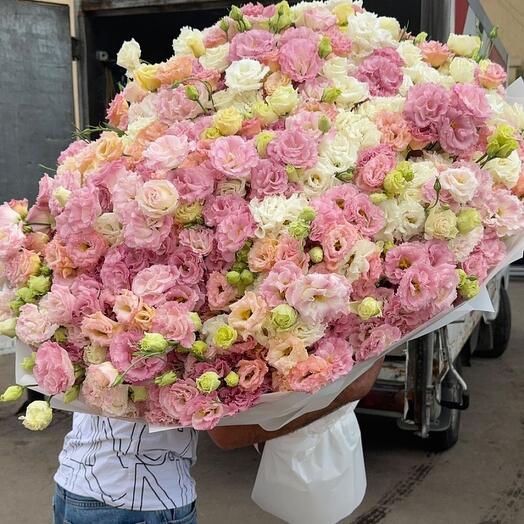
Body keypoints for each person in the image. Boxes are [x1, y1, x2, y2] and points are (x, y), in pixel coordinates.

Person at [52, 359, 383, 524]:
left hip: (74, 482)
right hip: (142, 504)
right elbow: (226, 434)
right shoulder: (174, 308)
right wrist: (349, 391)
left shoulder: (115, 287)